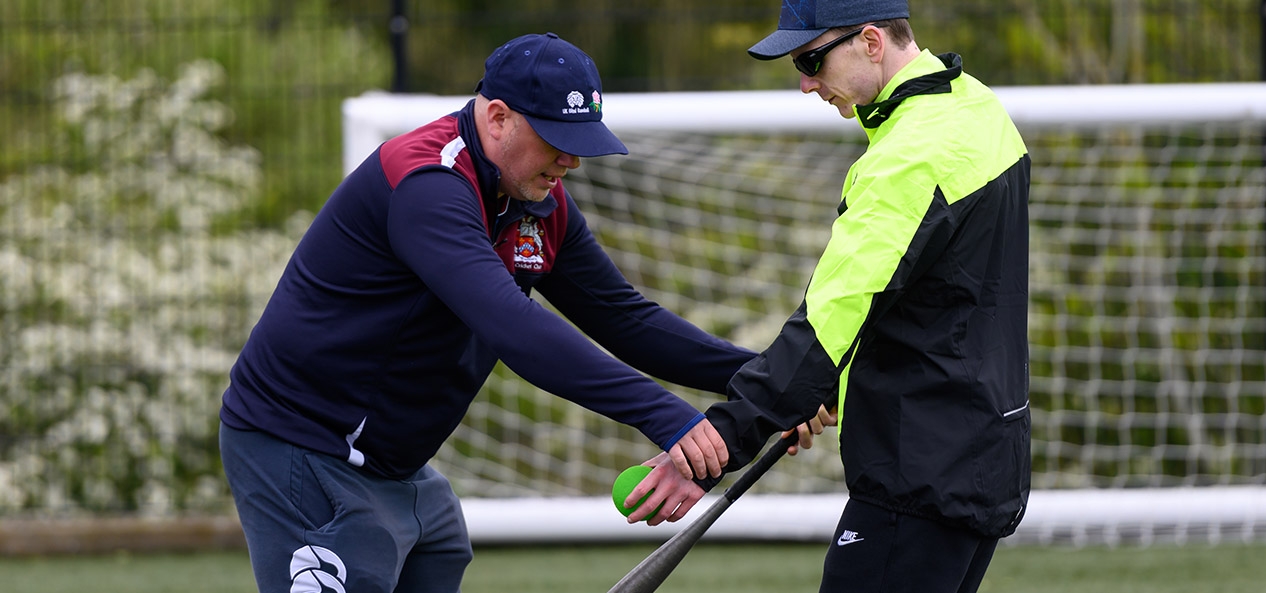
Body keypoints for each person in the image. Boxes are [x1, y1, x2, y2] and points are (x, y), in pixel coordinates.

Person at [217, 32, 759, 593]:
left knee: (441, 549)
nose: (570, 161)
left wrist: (765, 380)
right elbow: (513, 327)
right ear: (498, 118)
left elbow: (623, 317)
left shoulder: (537, 200)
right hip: (303, 452)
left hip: (393, 469)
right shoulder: (428, 182)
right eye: (556, 139)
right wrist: (665, 415)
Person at [631, 1, 1033, 591]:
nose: (805, 82)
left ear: (872, 42)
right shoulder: (975, 107)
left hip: (917, 477)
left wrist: (718, 443)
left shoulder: (908, 157)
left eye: (813, 59)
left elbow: (829, 323)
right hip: (978, 456)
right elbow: (938, 300)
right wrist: (825, 390)